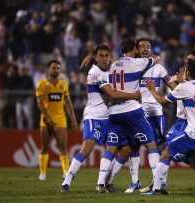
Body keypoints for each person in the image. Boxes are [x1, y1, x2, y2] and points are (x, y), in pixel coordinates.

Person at [58, 45, 140, 193]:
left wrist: (93, 56)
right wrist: (134, 95)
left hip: (110, 117)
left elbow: (118, 65)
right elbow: (112, 94)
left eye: (106, 56)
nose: (104, 59)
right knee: (88, 146)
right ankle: (66, 182)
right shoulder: (94, 73)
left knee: (125, 149)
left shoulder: (110, 68)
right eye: (100, 56)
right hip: (94, 116)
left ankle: (104, 183)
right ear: (96, 58)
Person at [104, 38, 176, 194]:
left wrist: (173, 96)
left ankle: (160, 182)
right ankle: (135, 182)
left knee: (160, 146)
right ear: (136, 49)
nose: (145, 48)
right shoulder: (135, 65)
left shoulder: (157, 68)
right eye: (142, 46)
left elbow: (173, 86)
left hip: (155, 112)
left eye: (148, 46)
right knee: (132, 147)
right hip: (138, 110)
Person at [95, 38, 161, 192]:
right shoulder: (138, 63)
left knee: (111, 148)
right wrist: (144, 57)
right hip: (132, 111)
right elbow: (157, 58)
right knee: (151, 145)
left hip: (114, 113)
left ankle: (100, 184)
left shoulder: (112, 65)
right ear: (134, 50)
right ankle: (159, 183)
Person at [142, 59, 195, 196]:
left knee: (166, 153)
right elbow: (190, 91)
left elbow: (163, 101)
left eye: (185, 69)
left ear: (188, 72)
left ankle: (156, 189)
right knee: (189, 152)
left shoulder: (185, 87)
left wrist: (152, 90)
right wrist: (183, 82)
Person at [36, 59, 78, 181]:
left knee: (62, 145)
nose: (56, 70)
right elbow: (39, 103)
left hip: (60, 119)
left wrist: (73, 120)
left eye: (58, 68)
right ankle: (42, 173)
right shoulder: (42, 84)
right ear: (49, 69)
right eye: (54, 68)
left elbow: (68, 103)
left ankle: (66, 172)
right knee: (45, 146)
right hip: (45, 120)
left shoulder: (63, 84)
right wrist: (48, 118)